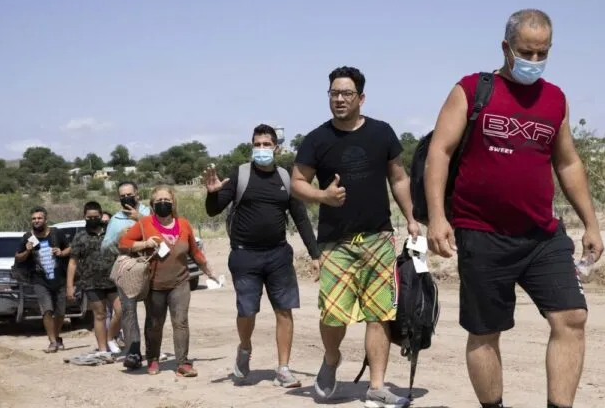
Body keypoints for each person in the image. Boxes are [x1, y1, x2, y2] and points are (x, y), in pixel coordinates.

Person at [424, 9, 605, 408]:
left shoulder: (555, 99)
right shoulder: (471, 89)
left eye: (543, 53)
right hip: (481, 233)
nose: (534, 61)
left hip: (542, 235)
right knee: (485, 332)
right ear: (506, 47)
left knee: (572, 318)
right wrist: (437, 217)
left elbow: (568, 162)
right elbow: (440, 151)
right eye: (526, 52)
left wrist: (591, 223)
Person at [291, 66, 420, 407]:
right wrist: (322, 196)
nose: (339, 99)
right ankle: (331, 357)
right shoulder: (317, 139)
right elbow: (297, 183)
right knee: (333, 314)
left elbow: (399, 178)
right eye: (334, 93)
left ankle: (376, 387)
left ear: (361, 98)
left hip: (379, 238)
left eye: (346, 93)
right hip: (335, 243)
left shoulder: (382, 132)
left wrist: (411, 218)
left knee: (379, 314)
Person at [203, 124, 322, 388]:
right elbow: (213, 210)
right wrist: (212, 194)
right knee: (247, 311)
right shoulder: (241, 175)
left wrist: (315, 254)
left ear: (276, 148)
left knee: (284, 310)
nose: (261, 149)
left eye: (267, 144)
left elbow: (301, 218)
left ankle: (283, 369)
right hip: (244, 256)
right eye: (257, 144)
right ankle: (244, 348)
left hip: (278, 255)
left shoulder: (285, 178)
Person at [118, 185, 219, 377]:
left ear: (173, 203)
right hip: (154, 284)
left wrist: (209, 271)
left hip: (180, 283)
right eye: (159, 201)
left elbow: (195, 251)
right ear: (152, 205)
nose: (163, 203)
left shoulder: (184, 224)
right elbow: (123, 243)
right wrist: (145, 243)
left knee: (181, 322)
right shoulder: (145, 223)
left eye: (167, 200)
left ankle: (183, 363)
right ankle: (153, 359)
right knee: (155, 323)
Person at [101, 181, 151, 369]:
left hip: (151, 265)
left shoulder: (149, 212)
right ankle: (133, 352)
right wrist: (118, 237)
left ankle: (153, 351)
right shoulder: (115, 220)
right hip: (127, 267)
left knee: (154, 312)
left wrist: (141, 220)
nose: (126, 198)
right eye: (122, 196)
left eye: (129, 194)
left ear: (137, 194)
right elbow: (104, 248)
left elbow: (162, 233)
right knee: (128, 312)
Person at [66, 201, 122, 356]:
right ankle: (103, 350)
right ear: (84, 216)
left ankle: (110, 338)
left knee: (121, 311)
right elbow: (72, 262)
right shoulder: (80, 237)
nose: (92, 220)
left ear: (101, 215)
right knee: (100, 315)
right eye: (89, 217)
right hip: (91, 282)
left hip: (113, 280)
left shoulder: (110, 231)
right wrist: (70, 286)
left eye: (95, 217)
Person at [15, 206, 70, 353]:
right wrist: (27, 250)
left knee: (60, 312)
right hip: (40, 280)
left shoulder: (56, 233)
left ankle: (56, 337)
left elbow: (70, 249)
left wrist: (61, 252)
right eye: (34, 218)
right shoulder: (28, 237)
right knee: (47, 310)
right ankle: (52, 342)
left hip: (59, 278)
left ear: (45, 219)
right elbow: (18, 257)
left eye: (39, 218)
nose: (36, 221)